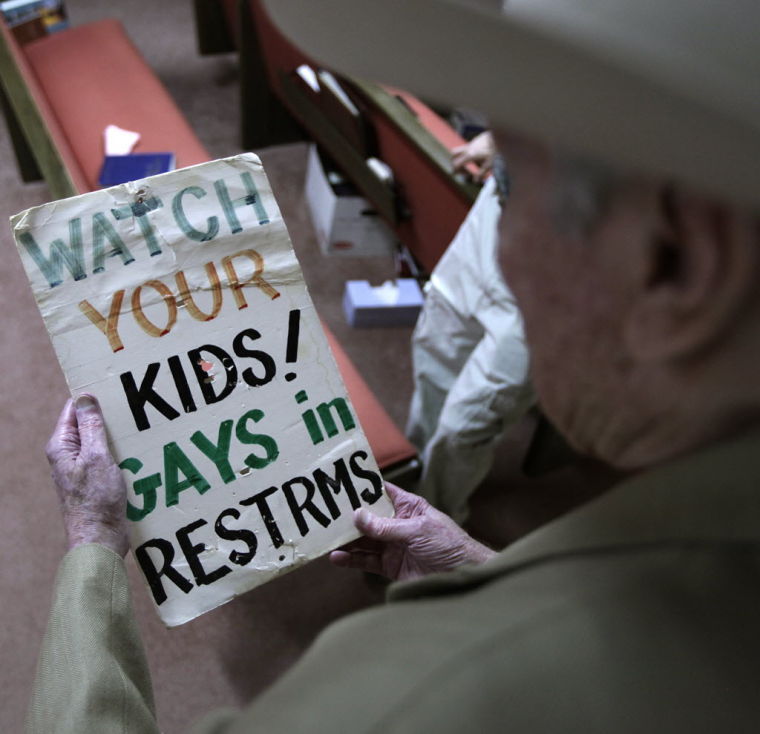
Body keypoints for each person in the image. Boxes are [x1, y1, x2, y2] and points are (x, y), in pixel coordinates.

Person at [28, 1, 760, 732]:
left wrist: (93, 546)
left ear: (678, 261)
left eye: (516, 186)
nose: (499, 247)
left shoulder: (410, 694)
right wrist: (473, 569)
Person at [406, 130, 534, 523]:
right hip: (495, 214)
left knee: (466, 425)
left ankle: (434, 523)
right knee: (433, 363)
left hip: (566, 266)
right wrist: (498, 137)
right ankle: (409, 485)